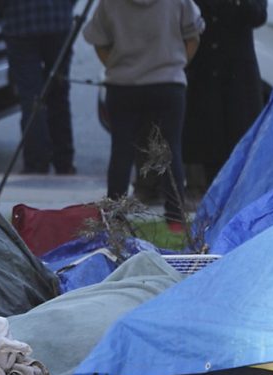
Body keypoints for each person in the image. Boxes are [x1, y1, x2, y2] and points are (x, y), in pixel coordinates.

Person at [83, 0, 204, 232]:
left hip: (123, 85)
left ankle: (115, 217)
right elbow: (194, 35)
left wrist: (116, 65)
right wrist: (177, 64)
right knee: (171, 150)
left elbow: (98, 40)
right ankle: (176, 218)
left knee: (121, 151)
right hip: (168, 83)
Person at [182, 0, 267, 194]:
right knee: (207, 145)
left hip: (237, 77)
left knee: (240, 142)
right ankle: (206, 194)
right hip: (203, 74)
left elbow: (258, 16)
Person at [0, 0, 77, 175]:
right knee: (59, 91)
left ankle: (36, 162)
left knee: (31, 96)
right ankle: (64, 161)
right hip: (58, 20)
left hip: (20, 21)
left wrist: (1, 13)